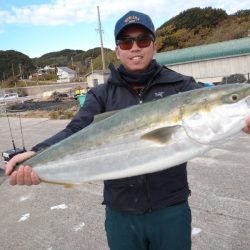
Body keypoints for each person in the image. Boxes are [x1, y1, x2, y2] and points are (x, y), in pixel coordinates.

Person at [5, 10, 250, 250]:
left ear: (154, 46)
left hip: (171, 209)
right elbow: (75, 129)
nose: (135, 47)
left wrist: (243, 117)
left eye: (143, 40)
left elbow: (218, 102)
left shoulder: (183, 87)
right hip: (120, 212)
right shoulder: (101, 93)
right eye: (126, 41)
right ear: (118, 50)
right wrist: (38, 153)